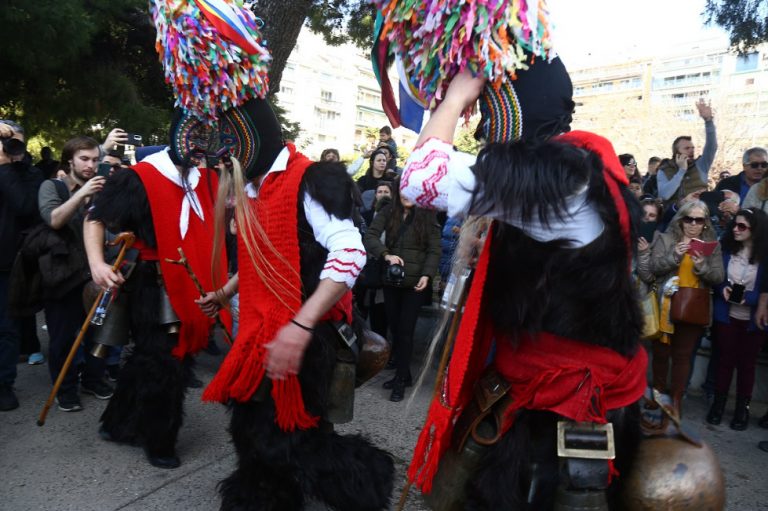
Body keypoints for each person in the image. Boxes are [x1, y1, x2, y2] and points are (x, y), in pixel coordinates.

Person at [397, 58, 649, 506]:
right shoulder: (580, 169)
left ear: (514, 111)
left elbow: (417, 181)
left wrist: (455, 98)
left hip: (563, 404)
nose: (482, 134)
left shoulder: (556, 179)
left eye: (488, 115)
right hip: (556, 384)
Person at [197, 99, 394, 510]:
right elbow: (256, 258)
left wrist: (300, 327)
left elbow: (350, 254)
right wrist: (225, 293)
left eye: (229, 152)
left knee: (290, 442)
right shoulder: (253, 185)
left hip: (308, 338)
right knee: (252, 432)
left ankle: (367, 478)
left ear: (251, 142)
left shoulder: (311, 180)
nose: (224, 165)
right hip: (259, 335)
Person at [38, 136, 113, 413]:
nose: (90, 165)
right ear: (69, 159)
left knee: (98, 332)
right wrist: (82, 194)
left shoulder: (101, 188)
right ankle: (65, 388)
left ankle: (93, 379)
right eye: (84, 159)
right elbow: (54, 219)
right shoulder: (52, 186)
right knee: (62, 337)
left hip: (94, 274)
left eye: (95, 159)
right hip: (61, 275)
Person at [363, 178, 441, 401]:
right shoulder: (388, 211)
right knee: (396, 329)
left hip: (416, 284)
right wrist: (386, 254)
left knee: (406, 331)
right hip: (391, 282)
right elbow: (370, 236)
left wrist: (427, 275)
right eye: (403, 190)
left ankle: (400, 381)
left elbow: (434, 250)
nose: (407, 194)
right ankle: (405, 374)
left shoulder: (428, 215)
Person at [649, 200, 724, 417]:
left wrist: (702, 266)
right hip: (666, 303)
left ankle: (675, 402)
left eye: (698, 220)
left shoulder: (713, 246)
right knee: (661, 354)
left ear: (705, 223)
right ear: (680, 220)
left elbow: (718, 277)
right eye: (688, 219)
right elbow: (654, 267)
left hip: (693, 306)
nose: (692, 224)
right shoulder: (665, 239)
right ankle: (657, 398)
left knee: (683, 356)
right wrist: (675, 256)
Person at [707, 208, 768, 430]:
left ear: (756, 230)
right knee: (724, 361)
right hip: (727, 315)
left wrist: (748, 299)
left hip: (753, 321)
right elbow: (715, 276)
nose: (735, 229)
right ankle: (718, 405)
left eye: (741, 226)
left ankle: (742, 409)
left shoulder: (765, 257)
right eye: (734, 224)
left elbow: (765, 290)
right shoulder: (726, 249)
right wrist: (723, 288)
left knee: (747, 365)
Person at [0, 120, 44, 411]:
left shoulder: (31, 174)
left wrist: (5, 166)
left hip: (8, 265)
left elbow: (25, 206)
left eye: (12, 139)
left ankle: (3, 384)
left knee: (7, 328)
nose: (7, 144)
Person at [656, 99, 718, 203]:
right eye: (686, 148)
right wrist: (681, 171)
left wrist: (708, 121)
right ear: (676, 152)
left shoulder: (701, 165)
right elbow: (664, 195)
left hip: (699, 214)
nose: (691, 151)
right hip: (675, 215)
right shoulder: (664, 170)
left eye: (692, 148)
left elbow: (712, 146)